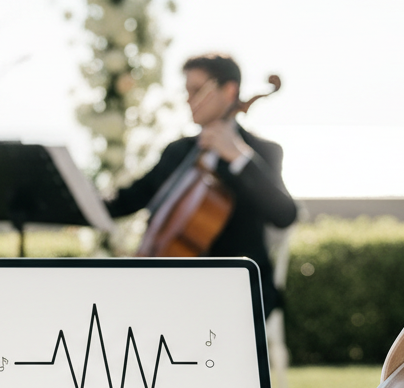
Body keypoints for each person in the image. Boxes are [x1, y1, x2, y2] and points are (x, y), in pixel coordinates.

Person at [106, 53, 297, 313]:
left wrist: (238, 157)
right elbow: (130, 199)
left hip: (239, 289)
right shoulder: (179, 151)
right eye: (186, 91)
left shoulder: (262, 151)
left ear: (229, 91)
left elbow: (285, 214)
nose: (188, 100)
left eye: (196, 90)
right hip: (178, 286)